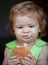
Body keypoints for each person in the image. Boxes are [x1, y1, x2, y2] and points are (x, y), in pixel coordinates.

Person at [2, 1, 48, 65]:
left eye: (31, 26)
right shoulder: (9, 48)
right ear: (13, 30)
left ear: (40, 27)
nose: (26, 31)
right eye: (20, 27)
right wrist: (8, 63)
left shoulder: (43, 47)